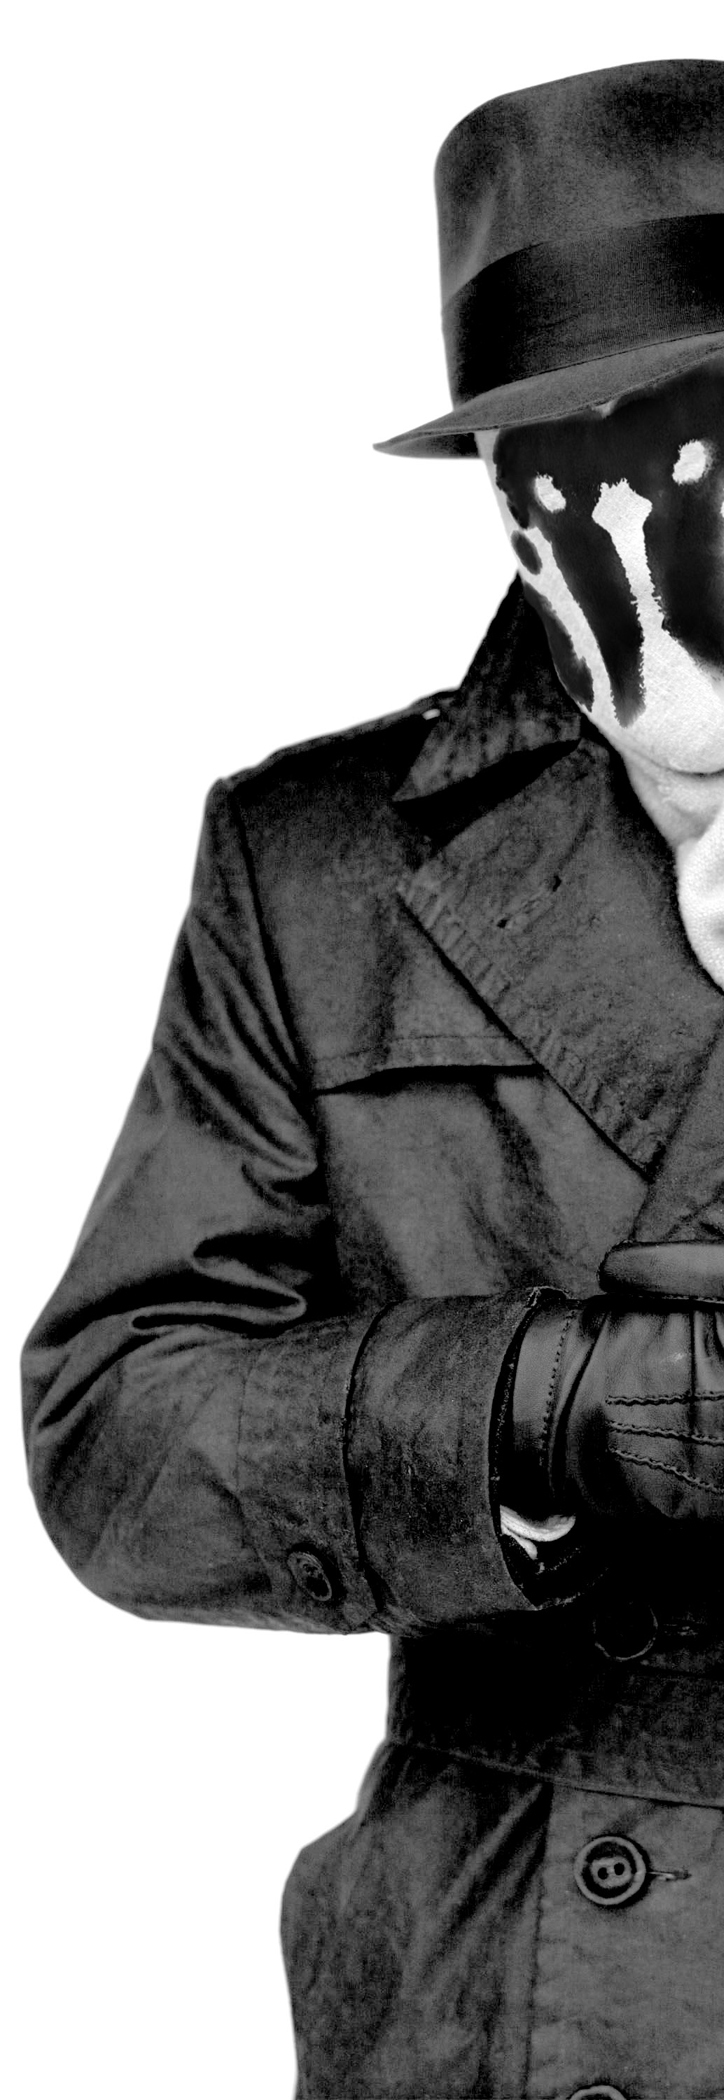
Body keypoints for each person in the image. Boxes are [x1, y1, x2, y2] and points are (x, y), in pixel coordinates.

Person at [21, 55, 724, 2100]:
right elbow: (119, 1441)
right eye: (550, 472)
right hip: (500, 1975)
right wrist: (545, 1408)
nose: (635, 557)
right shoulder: (319, 867)